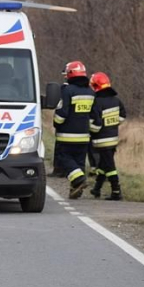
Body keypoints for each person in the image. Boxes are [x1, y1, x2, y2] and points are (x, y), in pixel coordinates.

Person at [53, 61, 95, 199]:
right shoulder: (90, 92)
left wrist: (56, 123)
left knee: (64, 159)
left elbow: (62, 113)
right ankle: (75, 189)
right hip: (84, 136)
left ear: (70, 74)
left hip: (67, 135)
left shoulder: (68, 90)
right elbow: (94, 115)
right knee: (79, 162)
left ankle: (79, 180)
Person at [88, 72, 127, 200]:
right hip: (113, 138)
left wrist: (89, 129)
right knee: (104, 165)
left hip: (101, 140)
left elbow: (96, 126)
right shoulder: (116, 100)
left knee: (110, 166)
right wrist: (112, 124)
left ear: (95, 86)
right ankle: (96, 189)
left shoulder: (96, 102)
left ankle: (116, 191)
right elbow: (122, 116)